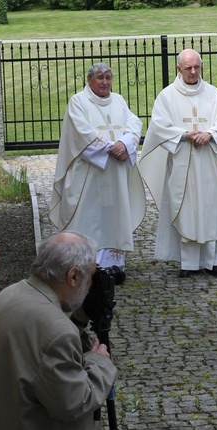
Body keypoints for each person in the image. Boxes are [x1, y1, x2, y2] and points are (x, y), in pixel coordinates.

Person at [0, 231, 117, 430]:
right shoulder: (56, 331)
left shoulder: (8, 295)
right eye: (90, 277)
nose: (90, 287)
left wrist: (78, 321)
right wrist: (100, 363)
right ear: (73, 276)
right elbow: (74, 402)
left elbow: (36, 357)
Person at [138, 49, 217, 278]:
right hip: (182, 162)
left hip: (209, 163)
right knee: (185, 209)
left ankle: (215, 261)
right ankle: (188, 262)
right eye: (188, 68)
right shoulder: (167, 96)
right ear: (178, 69)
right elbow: (159, 126)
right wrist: (185, 134)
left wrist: (211, 134)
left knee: (212, 209)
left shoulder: (213, 94)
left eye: (197, 67)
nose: (193, 72)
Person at [49, 62, 145, 278]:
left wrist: (126, 143)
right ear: (89, 79)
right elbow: (81, 133)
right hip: (88, 174)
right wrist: (111, 148)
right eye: (100, 77)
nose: (105, 82)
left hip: (116, 173)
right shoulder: (78, 102)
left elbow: (133, 123)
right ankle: (84, 265)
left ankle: (114, 266)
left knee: (114, 215)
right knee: (89, 216)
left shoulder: (118, 100)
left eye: (108, 77)